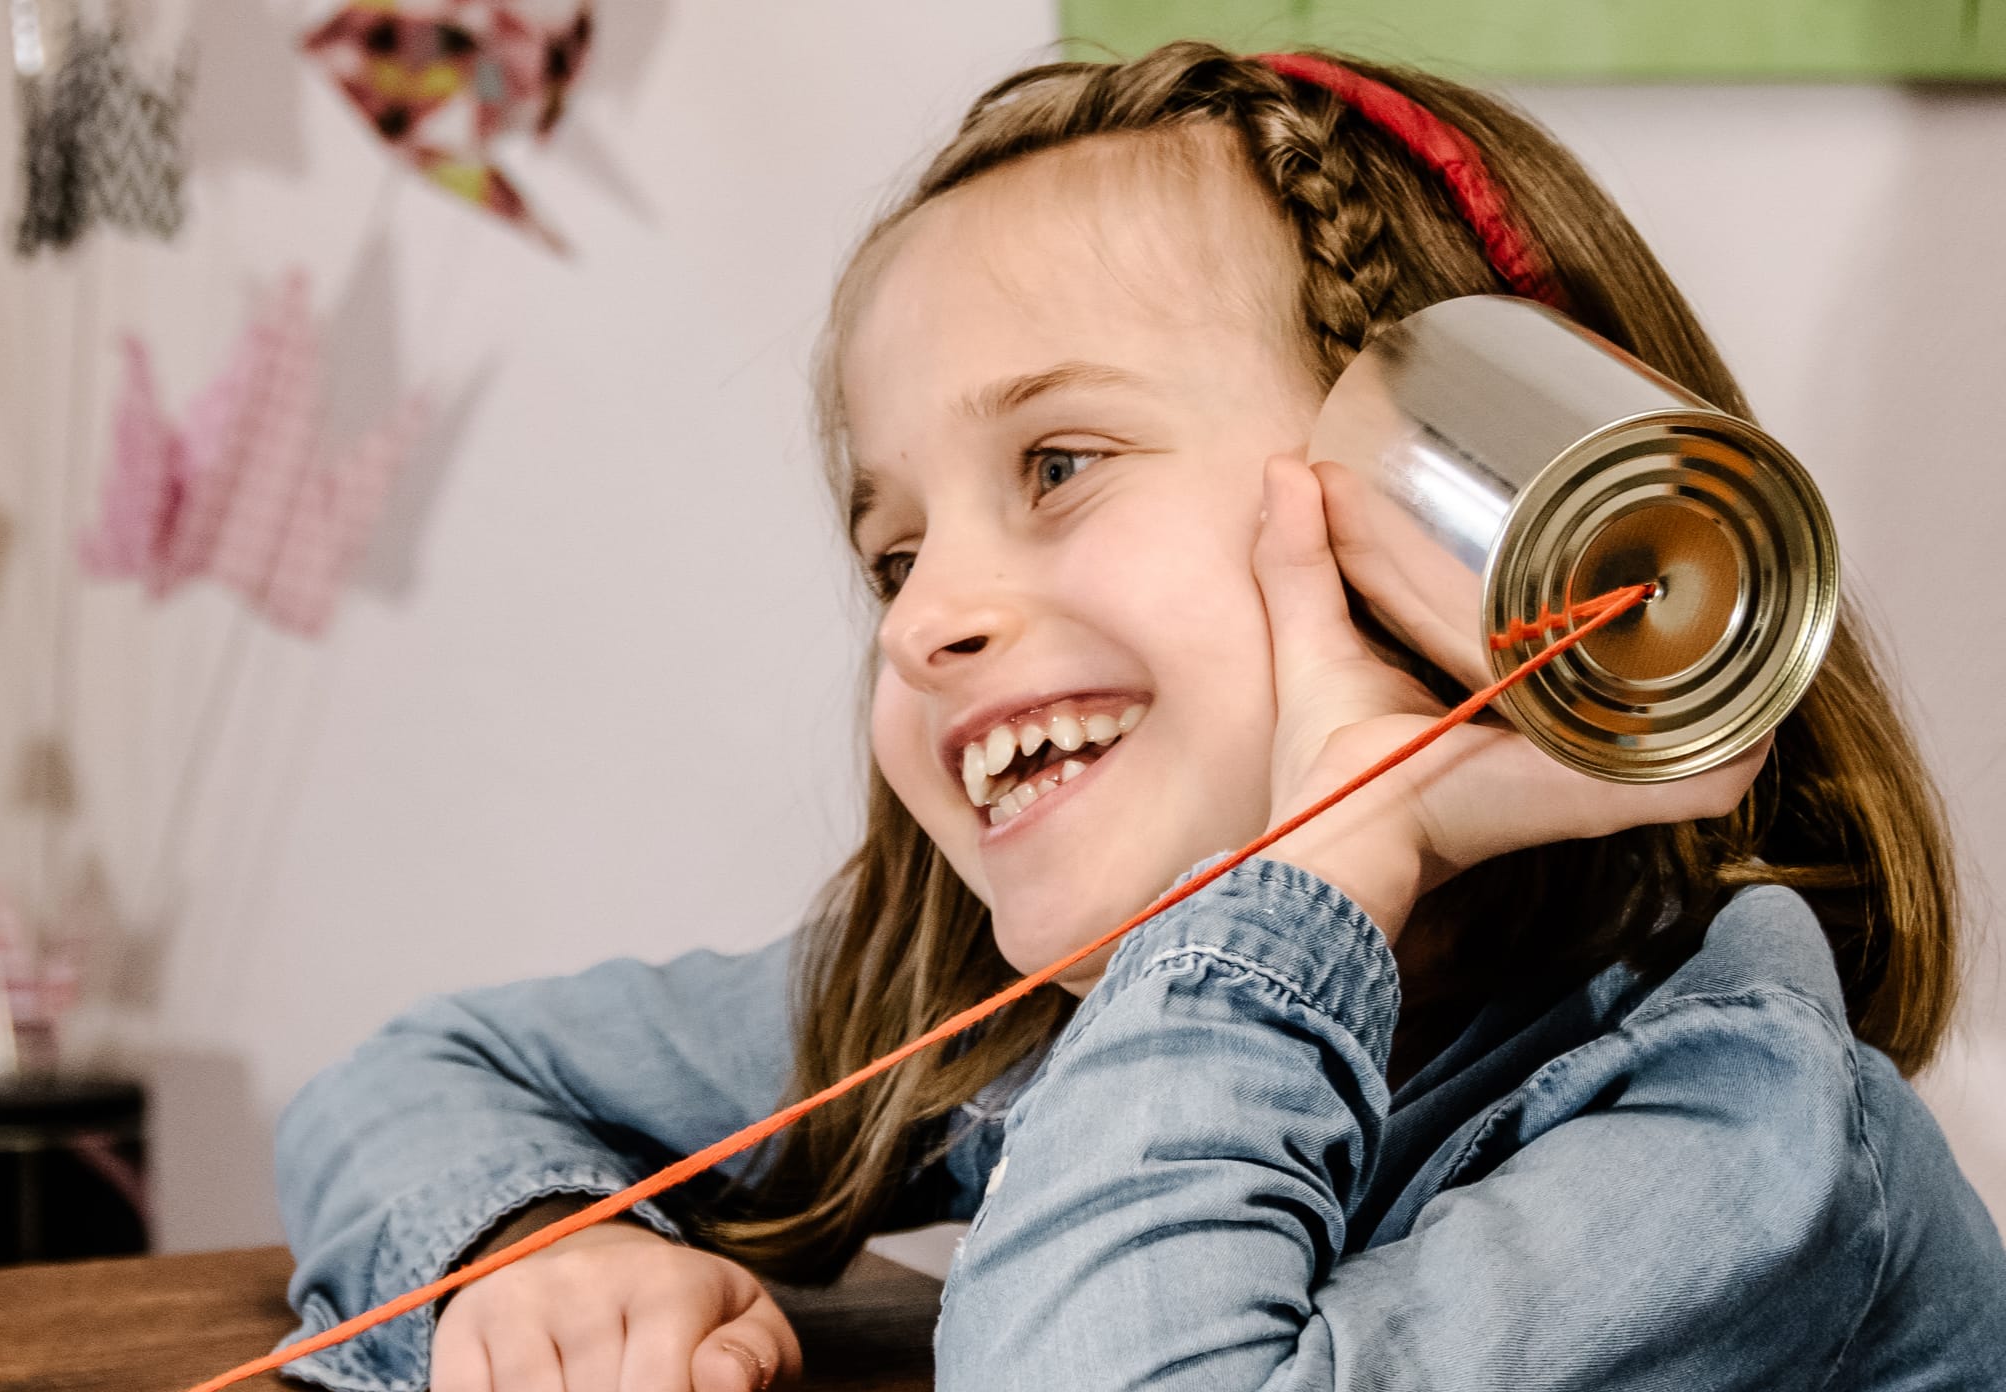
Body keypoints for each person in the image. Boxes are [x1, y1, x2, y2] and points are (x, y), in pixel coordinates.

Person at [271, 42, 2006, 1391]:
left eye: (1058, 465)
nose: (928, 616)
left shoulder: (1741, 1151)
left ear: (1450, 515)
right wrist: (535, 1258)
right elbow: (419, 1076)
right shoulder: (1006, 1016)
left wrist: (1333, 853)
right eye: (891, 553)